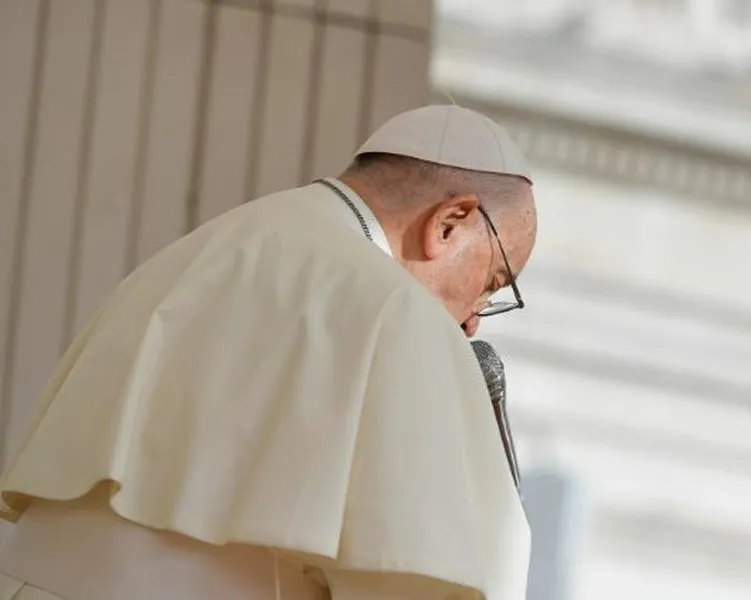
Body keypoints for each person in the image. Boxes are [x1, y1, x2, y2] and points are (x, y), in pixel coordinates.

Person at [0, 105, 537, 600]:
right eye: (491, 282)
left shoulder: (195, 252)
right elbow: (412, 579)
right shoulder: (399, 313)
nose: (471, 322)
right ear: (449, 223)